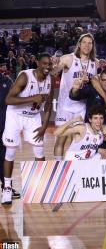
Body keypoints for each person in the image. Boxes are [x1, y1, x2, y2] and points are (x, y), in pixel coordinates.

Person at [52, 33, 106, 161]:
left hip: (81, 106)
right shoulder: (67, 59)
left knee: (76, 139)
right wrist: (54, 65)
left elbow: (97, 83)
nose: (87, 45)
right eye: (84, 42)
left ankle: (73, 164)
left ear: (93, 46)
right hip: (65, 105)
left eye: (90, 43)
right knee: (61, 139)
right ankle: (58, 167)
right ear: (79, 45)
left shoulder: (95, 63)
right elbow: (53, 72)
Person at [1, 53, 54, 204]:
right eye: (44, 64)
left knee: (39, 150)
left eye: (49, 64)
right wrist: (32, 98)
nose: (47, 67)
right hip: (15, 115)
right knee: (10, 152)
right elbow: (8, 99)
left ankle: (41, 186)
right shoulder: (25, 76)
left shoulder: (50, 80)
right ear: (37, 63)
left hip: (33, 117)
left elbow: (48, 104)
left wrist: (44, 125)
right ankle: (7, 188)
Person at [0, 61, 20, 199]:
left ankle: (6, 186)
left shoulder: (6, 80)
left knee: (4, 157)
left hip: (3, 126)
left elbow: (14, 100)